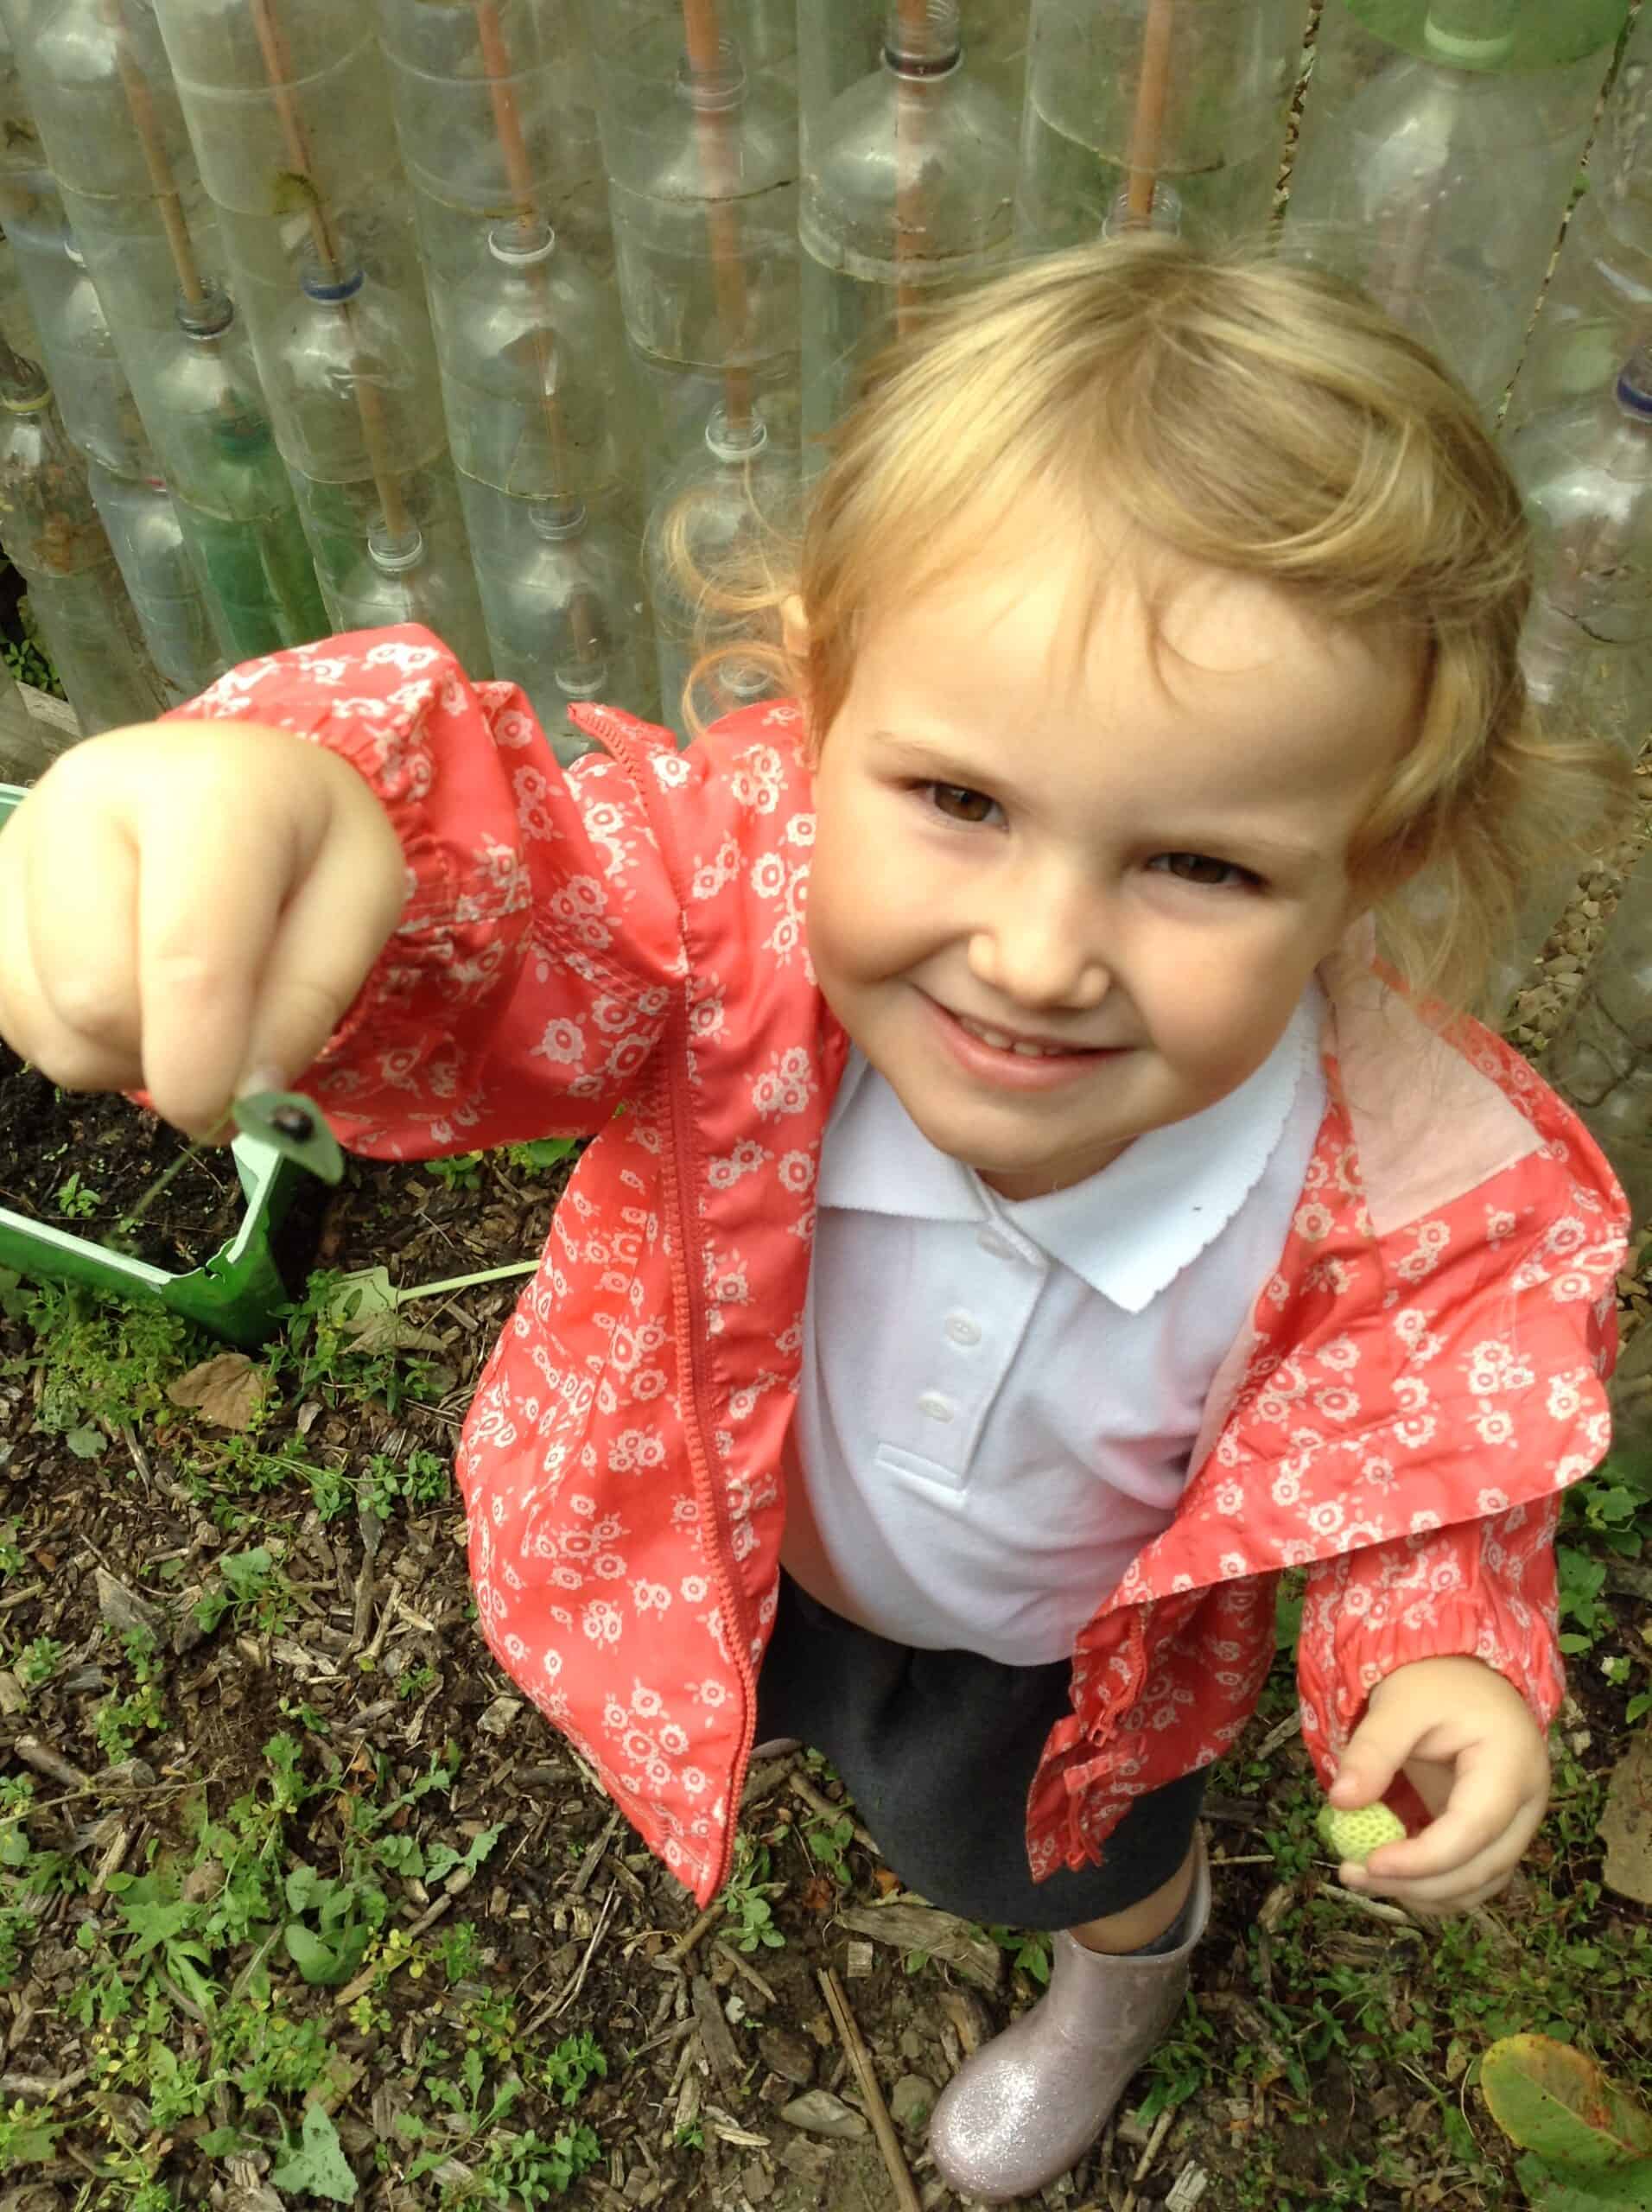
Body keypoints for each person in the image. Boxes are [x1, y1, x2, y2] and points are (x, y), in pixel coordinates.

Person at [0, 237, 1630, 2202]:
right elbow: (510, 905)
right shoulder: (725, 922)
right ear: (820, 699)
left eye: (1197, 864)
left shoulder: (1428, 1203)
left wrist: (1435, 1655)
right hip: (737, 1533)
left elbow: (1427, 1460)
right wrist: (319, 814)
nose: (1035, 951)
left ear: (1373, 859)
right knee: (779, 1716)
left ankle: (1124, 1968)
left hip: (1059, 1669)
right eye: (957, 798)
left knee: (1027, 1854)